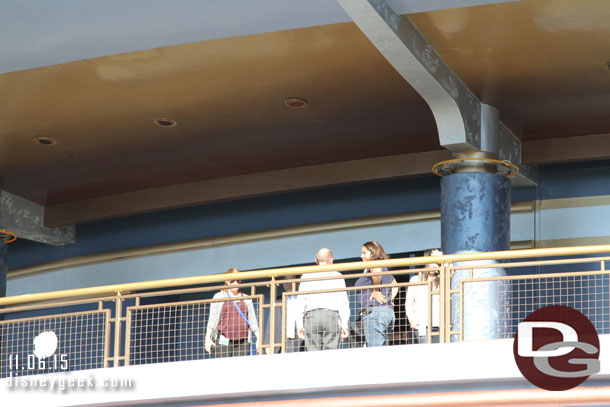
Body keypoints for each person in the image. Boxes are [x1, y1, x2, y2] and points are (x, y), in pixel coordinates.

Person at [295, 248, 350, 351]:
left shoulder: (306, 275)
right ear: (331, 260)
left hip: (311, 317)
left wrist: (299, 325)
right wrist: (344, 325)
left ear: (316, 261)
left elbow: (300, 302)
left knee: (313, 354)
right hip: (331, 316)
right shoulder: (337, 275)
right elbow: (343, 302)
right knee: (330, 354)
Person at [205, 268, 260, 358]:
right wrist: (207, 338)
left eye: (238, 280)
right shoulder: (219, 297)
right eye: (232, 280)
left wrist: (258, 338)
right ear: (227, 281)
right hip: (224, 339)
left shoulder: (246, 299)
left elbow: (253, 320)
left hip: (242, 341)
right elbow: (212, 319)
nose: (235, 283)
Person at [354, 241, 396, 347]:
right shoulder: (383, 267)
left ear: (372, 254)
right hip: (386, 312)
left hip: (375, 313)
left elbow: (376, 271)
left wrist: (376, 290)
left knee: (374, 351)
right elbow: (395, 285)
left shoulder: (375, 264)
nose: (361, 256)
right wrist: (390, 299)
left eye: (364, 253)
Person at [405, 249, 442, 344]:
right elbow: (409, 303)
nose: (435, 265)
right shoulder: (415, 279)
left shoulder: (442, 280)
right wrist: (412, 320)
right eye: (432, 261)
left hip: (438, 324)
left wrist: (441, 256)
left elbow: (451, 271)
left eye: (437, 262)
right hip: (421, 324)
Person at [282, 276, 304, 353]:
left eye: (290, 281)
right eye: (286, 281)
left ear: (297, 284)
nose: (288, 283)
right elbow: (272, 324)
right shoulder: (277, 301)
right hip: (283, 340)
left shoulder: (303, 299)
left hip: (301, 339)